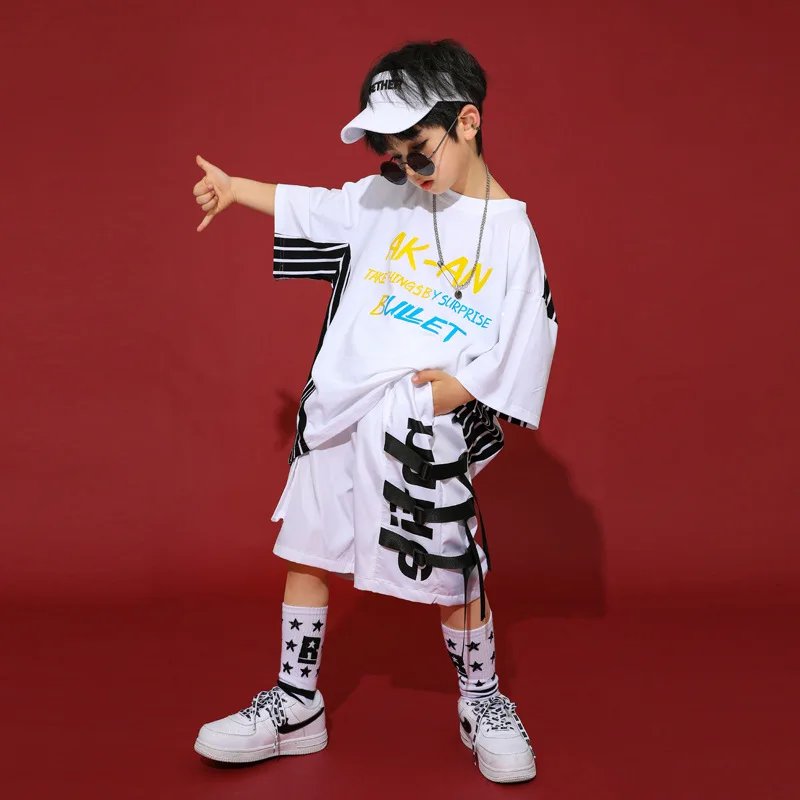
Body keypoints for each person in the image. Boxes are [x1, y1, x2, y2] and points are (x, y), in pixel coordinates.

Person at [190, 39, 557, 784]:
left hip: (422, 422)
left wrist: (457, 390)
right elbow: (313, 205)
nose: (407, 170)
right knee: (309, 548)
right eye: (391, 158)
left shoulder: (512, 233)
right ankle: (297, 703)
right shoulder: (384, 201)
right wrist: (235, 189)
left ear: (468, 122)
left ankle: (482, 700)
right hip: (343, 406)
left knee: (452, 569)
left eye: (418, 150)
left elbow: (529, 334)